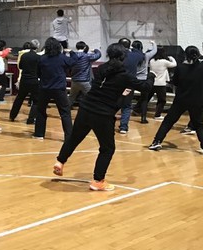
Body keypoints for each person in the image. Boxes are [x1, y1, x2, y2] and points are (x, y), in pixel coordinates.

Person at [53, 43, 155, 191]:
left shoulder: (101, 69)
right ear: (123, 57)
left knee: (74, 138)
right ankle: (98, 181)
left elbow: (106, 87)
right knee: (107, 148)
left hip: (86, 108)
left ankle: (60, 162)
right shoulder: (124, 76)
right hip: (102, 114)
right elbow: (146, 87)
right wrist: (151, 76)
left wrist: (120, 94)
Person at [149, 46, 203, 157]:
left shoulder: (181, 67)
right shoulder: (202, 67)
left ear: (185, 55)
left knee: (168, 121)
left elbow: (176, 83)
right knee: (199, 125)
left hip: (181, 99)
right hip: (197, 100)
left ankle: (157, 141)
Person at [33, 37, 77, 140]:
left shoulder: (42, 59)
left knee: (41, 111)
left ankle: (39, 134)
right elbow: (74, 61)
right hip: (59, 88)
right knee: (65, 112)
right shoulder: (62, 58)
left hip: (44, 88)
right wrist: (71, 52)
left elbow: (38, 73)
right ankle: (68, 136)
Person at [142, 47, 177, 122]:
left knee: (146, 98)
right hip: (161, 83)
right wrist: (171, 58)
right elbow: (174, 64)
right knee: (161, 100)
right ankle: (157, 115)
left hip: (152, 82)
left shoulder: (152, 61)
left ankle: (138, 109)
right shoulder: (164, 62)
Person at [9, 40, 40, 124]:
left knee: (19, 98)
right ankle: (31, 119)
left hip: (24, 80)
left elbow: (20, 66)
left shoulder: (24, 56)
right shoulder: (38, 57)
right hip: (34, 80)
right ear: (37, 47)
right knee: (36, 101)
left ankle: (12, 116)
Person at [68, 41, 101, 106]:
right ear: (84, 47)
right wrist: (95, 50)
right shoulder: (87, 56)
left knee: (71, 98)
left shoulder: (72, 56)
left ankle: (65, 110)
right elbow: (98, 55)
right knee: (90, 98)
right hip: (84, 81)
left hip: (74, 81)